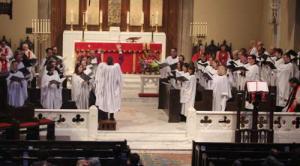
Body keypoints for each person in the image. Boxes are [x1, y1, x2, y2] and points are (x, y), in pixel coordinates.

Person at [95, 56, 122, 120]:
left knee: (105, 102)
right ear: (113, 61)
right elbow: (119, 78)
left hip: (105, 89)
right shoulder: (116, 67)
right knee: (112, 102)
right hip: (113, 89)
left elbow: (99, 77)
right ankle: (112, 116)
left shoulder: (103, 67)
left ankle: (105, 116)